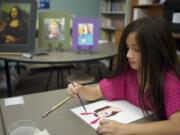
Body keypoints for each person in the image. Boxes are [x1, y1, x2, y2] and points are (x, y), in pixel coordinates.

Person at [67, 16, 180, 135]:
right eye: (127, 48)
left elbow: (177, 126)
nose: (128, 55)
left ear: (157, 50)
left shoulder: (170, 81)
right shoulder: (128, 74)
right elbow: (95, 93)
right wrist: (81, 89)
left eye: (137, 49)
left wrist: (127, 129)